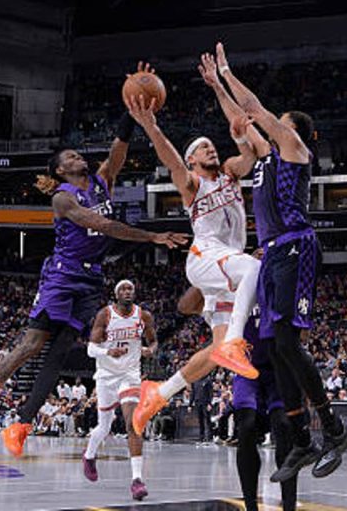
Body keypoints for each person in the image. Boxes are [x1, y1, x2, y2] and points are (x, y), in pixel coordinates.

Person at [0, 90, 189, 456]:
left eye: (77, 152)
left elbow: (121, 144)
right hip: (62, 276)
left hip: (91, 278)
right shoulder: (62, 198)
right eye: (69, 156)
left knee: (59, 354)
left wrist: (133, 107)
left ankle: (21, 425)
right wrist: (153, 236)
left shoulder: (102, 180)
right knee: (32, 345)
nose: (77, 155)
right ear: (61, 170)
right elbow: (103, 224)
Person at [216, 42, 347, 481]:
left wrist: (227, 72)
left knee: (289, 343)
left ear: (292, 130)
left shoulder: (294, 148)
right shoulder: (265, 158)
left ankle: (333, 430)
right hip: (273, 251)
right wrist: (215, 88)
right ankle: (301, 439)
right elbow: (241, 122)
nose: (271, 130)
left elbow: (253, 109)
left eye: (279, 125)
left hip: (296, 245)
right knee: (275, 349)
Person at [129, 52, 262, 436]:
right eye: (203, 148)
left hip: (226, 267)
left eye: (211, 146)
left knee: (217, 352)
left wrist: (235, 126)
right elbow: (169, 157)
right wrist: (152, 128)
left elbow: (250, 155)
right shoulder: (192, 184)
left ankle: (157, 393)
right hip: (205, 258)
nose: (211, 150)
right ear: (191, 160)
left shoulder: (231, 174)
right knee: (253, 268)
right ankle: (236, 341)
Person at [81, 280, 156, 501]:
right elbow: (91, 349)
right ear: (116, 294)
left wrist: (149, 350)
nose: (127, 291)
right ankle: (89, 455)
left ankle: (137, 480)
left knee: (133, 423)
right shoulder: (105, 315)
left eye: (130, 288)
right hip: (106, 376)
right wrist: (108, 352)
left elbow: (153, 342)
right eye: (122, 289)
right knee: (104, 426)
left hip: (130, 375)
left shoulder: (144, 316)